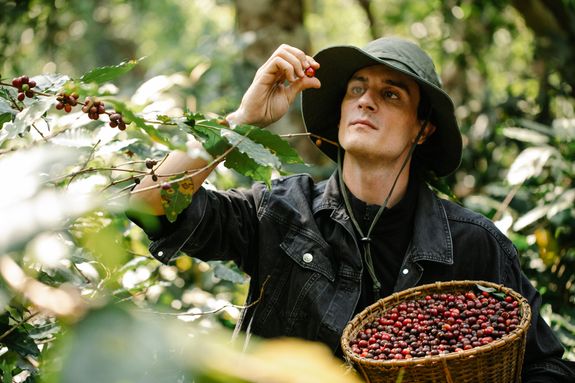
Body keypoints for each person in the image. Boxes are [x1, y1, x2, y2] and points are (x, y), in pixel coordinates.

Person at [128, 37, 575, 381]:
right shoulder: (283, 212)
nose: (365, 100)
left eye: (392, 94)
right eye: (356, 89)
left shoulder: (472, 244)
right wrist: (242, 120)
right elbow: (150, 205)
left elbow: (546, 367)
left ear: (422, 130)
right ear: (339, 114)